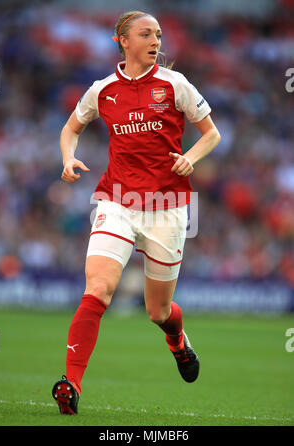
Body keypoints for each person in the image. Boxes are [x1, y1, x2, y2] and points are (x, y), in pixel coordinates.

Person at [52, 10, 221, 415]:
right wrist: (68, 157)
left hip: (167, 206)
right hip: (116, 201)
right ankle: (71, 383)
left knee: (157, 311)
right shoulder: (102, 90)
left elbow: (211, 132)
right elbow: (71, 127)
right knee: (98, 290)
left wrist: (191, 158)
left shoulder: (174, 84)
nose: (156, 41)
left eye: (159, 34)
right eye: (146, 34)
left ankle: (177, 340)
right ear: (123, 41)